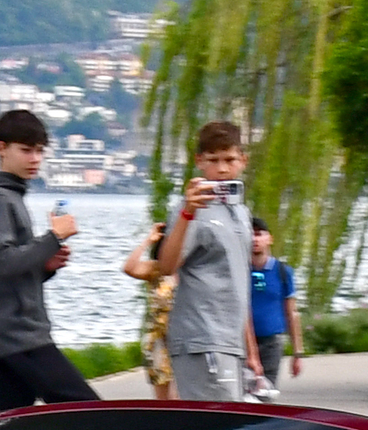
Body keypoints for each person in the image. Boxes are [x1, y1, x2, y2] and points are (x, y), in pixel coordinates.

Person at [0, 110, 97, 409]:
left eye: (39, 151)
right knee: (87, 411)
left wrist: (44, 267)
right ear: (1, 148)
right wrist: (52, 237)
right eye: (26, 150)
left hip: (3, 337)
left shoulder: (9, 196)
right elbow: (1, 262)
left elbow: (8, 268)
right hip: (18, 335)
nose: (35, 159)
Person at [154, 121, 260, 402]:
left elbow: (239, 284)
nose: (222, 169)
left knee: (228, 428)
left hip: (230, 341)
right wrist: (187, 213)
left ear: (243, 161)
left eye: (230, 160)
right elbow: (166, 266)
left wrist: (251, 350)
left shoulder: (241, 212)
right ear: (199, 162)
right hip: (202, 338)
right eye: (213, 161)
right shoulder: (192, 210)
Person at [247, 219, 302, 397]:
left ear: (269, 238)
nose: (254, 239)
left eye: (259, 234)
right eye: (250, 234)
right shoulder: (239, 271)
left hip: (272, 342)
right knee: (243, 393)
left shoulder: (282, 272)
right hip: (243, 343)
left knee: (266, 393)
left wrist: (297, 353)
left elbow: (291, 312)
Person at [122, 223, 176, 400]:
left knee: (179, 398)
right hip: (159, 340)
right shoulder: (156, 269)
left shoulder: (191, 271)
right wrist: (148, 240)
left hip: (185, 338)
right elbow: (129, 268)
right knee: (164, 401)